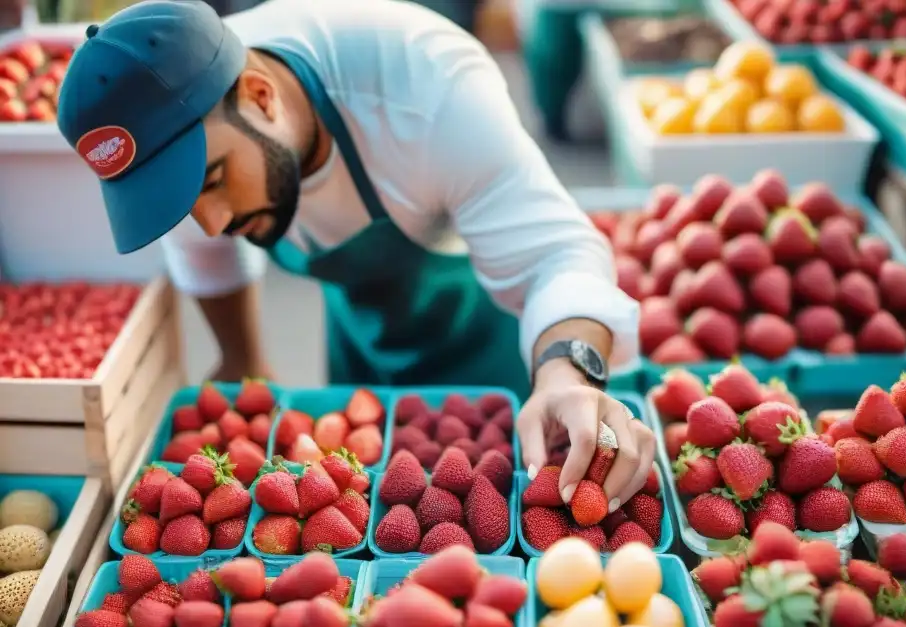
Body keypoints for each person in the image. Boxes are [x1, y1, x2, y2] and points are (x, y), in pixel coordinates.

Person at [56, 0, 655, 506]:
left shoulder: (429, 87)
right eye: (176, 206)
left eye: (210, 181)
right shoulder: (192, 135)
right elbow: (205, 256)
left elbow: (555, 253)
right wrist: (243, 360)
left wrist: (565, 375)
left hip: (486, 333)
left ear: (262, 96)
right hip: (359, 343)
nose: (209, 223)